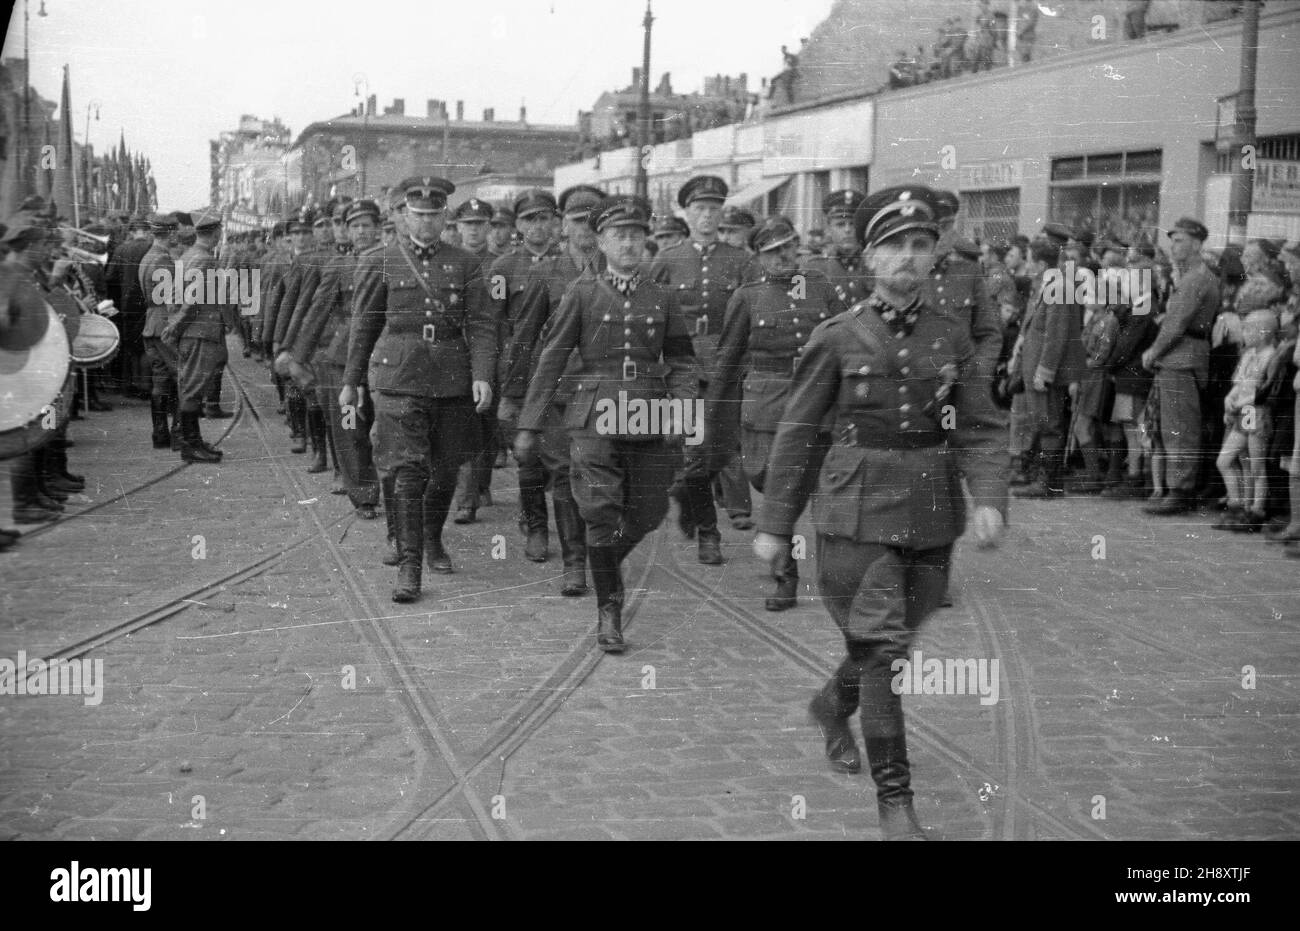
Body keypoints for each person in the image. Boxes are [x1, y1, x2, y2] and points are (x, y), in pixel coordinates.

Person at [752, 185, 1008, 840]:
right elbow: (800, 431)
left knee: (893, 641)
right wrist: (776, 525)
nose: (908, 256)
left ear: (933, 258)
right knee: (881, 648)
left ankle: (831, 707)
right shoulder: (835, 337)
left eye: (920, 245)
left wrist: (989, 501)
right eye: (894, 244)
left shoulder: (951, 336)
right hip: (854, 510)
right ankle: (896, 805)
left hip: (930, 509)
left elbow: (979, 427)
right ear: (870, 258)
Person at [515, 195, 698, 652]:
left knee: (649, 512)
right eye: (620, 235)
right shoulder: (582, 292)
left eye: (637, 235)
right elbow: (552, 358)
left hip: (650, 411)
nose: (630, 243)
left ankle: (601, 566)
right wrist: (529, 423)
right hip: (594, 412)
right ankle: (609, 611)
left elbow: (680, 360)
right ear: (601, 240)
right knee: (600, 511)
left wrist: (683, 409)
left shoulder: (662, 295)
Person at [339, 175, 495, 602]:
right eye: (418, 214)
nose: (425, 223)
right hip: (397, 377)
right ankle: (410, 566)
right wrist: (351, 382)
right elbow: (364, 324)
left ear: (445, 216)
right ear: (404, 215)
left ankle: (431, 538)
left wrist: (482, 374)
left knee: (445, 472)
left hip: (450, 377)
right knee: (408, 472)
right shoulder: (381, 261)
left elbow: (481, 324)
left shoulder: (465, 263)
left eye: (433, 215)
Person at [708, 216, 845, 610]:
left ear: (798, 245)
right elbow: (728, 361)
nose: (783, 256)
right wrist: (713, 419)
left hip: (819, 401)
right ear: (759, 257)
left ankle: (798, 579)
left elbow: (850, 341)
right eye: (772, 251)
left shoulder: (820, 286)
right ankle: (785, 569)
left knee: (826, 489)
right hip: (768, 406)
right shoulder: (748, 297)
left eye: (788, 246)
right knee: (772, 484)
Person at [649, 175, 758, 564]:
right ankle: (709, 534)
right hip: (683, 366)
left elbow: (754, 313)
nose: (707, 217)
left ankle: (685, 494)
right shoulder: (668, 259)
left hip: (727, 365)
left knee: (723, 450)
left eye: (714, 209)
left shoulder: (741, 260)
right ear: (687, 213)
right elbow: (650, 310)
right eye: (700, 209)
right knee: (695, 450)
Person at [289, 199, 383, 520]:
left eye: (366, 225)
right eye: (354, 226)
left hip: (383, 358)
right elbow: (317, 312)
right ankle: (365, 494)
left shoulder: (394, 262)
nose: (360, 232)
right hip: (341, 361)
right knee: (349, 429)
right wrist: (298, 358)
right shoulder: (339, 266)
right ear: (345, 229)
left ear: (378, 228)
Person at [491, 189, 564, 561]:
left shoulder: (569, 264)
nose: (538, 226)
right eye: (530, 219)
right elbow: (493, 323)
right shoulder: (503, 268)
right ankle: (536, 525)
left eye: (545, 218)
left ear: (555, 222)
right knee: (529, 454)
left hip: (566, 372)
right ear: (518, 225)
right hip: (523, 371)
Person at [1142, 218, 1220, 515]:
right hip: (1181, 356)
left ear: (1197, 244)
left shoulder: (1196, 278)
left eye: (1180, 240)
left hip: (1182, 357)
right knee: (1175, 425)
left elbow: (1176, 323)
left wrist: (1154, 350)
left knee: (1179, 428)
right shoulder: (1192, 276)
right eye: (1172, 240)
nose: (1173, 246)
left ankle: (1180, 490)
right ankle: (1180, 488)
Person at [159, 208, 239, 464]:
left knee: (190, 386)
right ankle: (189, 444)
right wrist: (177, 327)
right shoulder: (204, 260)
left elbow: (172, 296)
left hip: (195, 331)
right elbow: (192, 300)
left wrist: (174, 322)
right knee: (193, 389)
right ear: (216, 232)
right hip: (200, 332)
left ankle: (192, 441)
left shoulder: (187, 256)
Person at [1213, 306, 1279, 532]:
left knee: (1256, 465)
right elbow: (1239, 384)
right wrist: (1229, 401)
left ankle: (1256, 509)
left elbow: (1263, 390)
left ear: (1263, 332)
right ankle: (1237, 505)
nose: (1244, 334)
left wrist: (1240, 402)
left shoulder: (1271, 356)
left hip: (1256, 413)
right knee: (1227, 460)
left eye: (1248, 330)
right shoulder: (1248, 355)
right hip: (1243, 413)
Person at [139, 212, 182, 451]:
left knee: (161, 379)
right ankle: (179, 433)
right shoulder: (163, 260)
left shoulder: (148, 257)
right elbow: (170, 300)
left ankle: (160, 433)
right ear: (171, 233)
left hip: (151, 325)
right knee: (182, 377)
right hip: (165, 325)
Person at [801, 189, 872, 308]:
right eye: (840, 224)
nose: (847, 230)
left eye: (852, 224)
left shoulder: (874, 265)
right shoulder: (812, 268)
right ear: (829, 229)